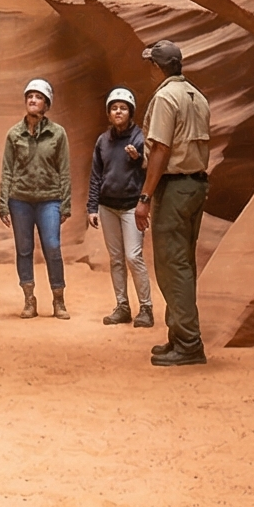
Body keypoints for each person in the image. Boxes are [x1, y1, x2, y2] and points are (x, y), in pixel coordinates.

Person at [134, 39, 212, 365]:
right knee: (184, 263)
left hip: (174, 187)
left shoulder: (166, 97)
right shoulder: (197, 95)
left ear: (157, 67)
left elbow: (161, 149)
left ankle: (189, 344)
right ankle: (179, 335)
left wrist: (145, 197)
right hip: (195, 184)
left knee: (171, 265)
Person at [0, 78, 72, 319]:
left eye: (38, 97)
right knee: (24, 249)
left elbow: (64, 170)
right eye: (29, 96)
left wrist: (66, 203)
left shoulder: (57, 133)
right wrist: (3, 203)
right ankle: (29, 299)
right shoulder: (14, 134)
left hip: (49, 199)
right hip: (19, 199)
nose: (32, 100)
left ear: (46, 103)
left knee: (52, 247)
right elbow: (7, 169)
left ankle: (58, 300)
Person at [87, 86, 154, 327]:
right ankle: (122, 306)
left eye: (123, 108)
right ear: (109, 113)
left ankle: (146, 308)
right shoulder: (103, 141)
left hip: (130, 206)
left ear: (130, 112)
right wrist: (92, 207)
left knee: (133, 256)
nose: (118, 112)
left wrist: (139, 158)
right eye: (114, 108)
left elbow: (150, 168)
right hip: (107, 207)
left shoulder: (139, 138)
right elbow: (96, 174)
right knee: (115, 258)